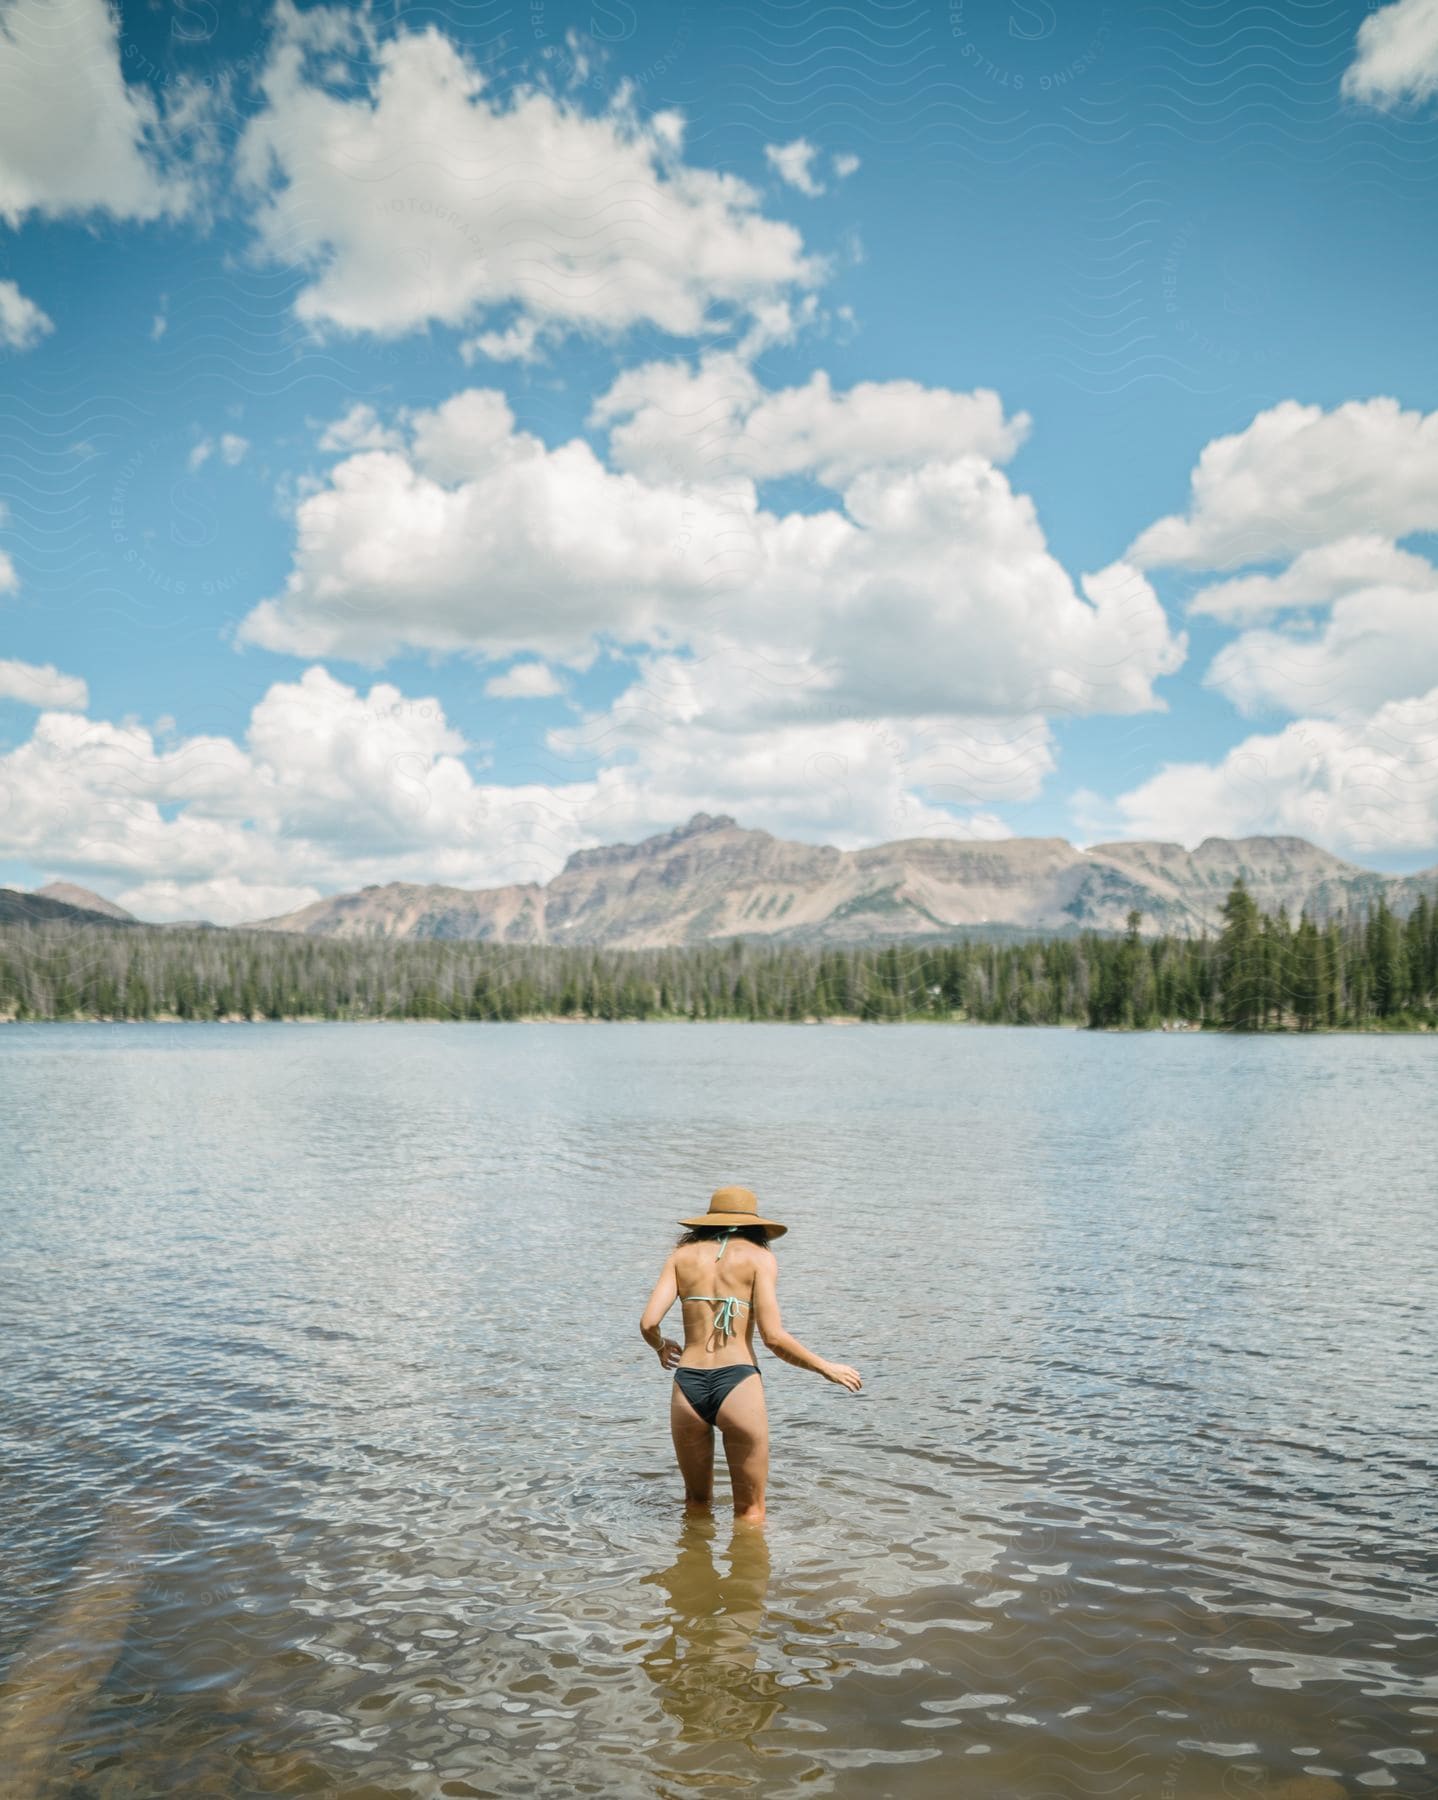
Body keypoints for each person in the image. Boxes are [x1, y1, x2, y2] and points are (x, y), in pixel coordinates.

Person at [639, 1185, 863, 1524]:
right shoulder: (760, 1259)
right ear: (755, 1225)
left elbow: (648, 1322)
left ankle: (694, 1573)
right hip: (737, 1383)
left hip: (687, 1385)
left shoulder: (680, 1258)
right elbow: (773, 1338)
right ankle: (748, 1576)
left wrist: (660, 1346)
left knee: (696, 1504)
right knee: (751, 1512)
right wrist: (825, 1367)